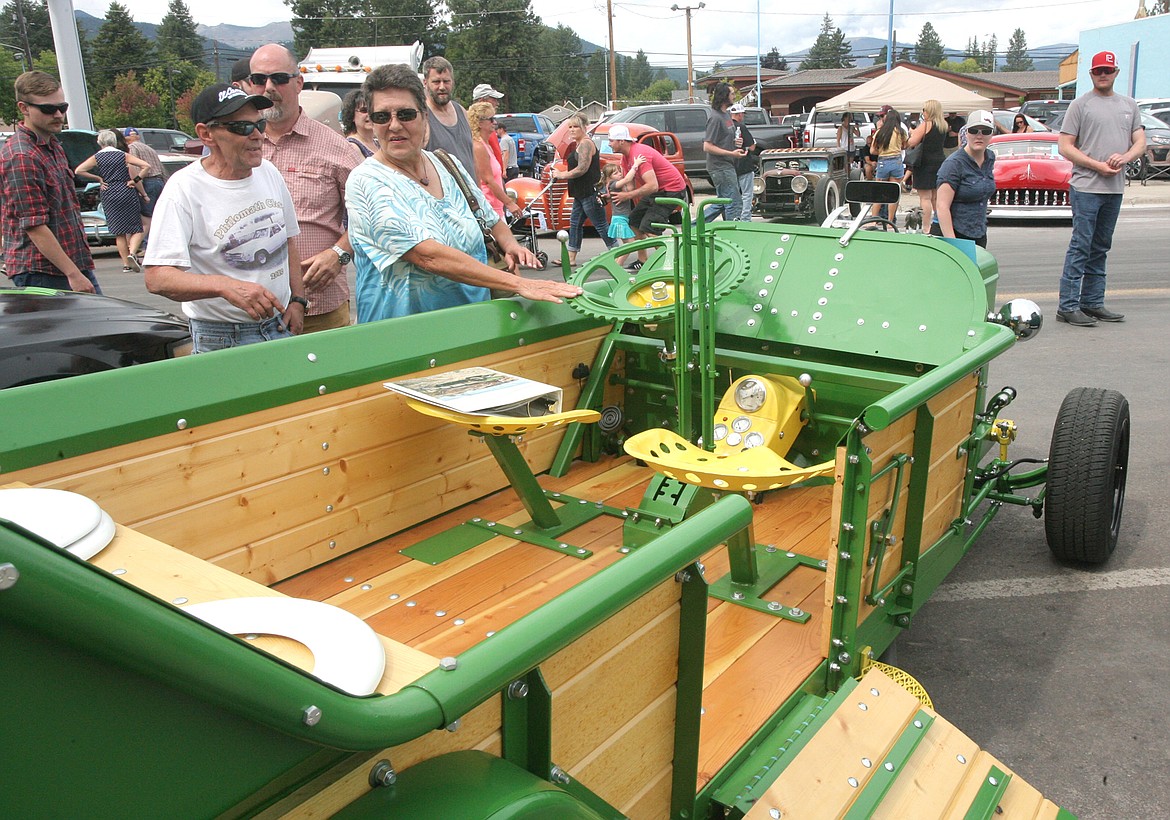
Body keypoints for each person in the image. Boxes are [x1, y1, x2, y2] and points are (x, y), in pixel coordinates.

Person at [344, 64, 581, 322]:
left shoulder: (447, 164)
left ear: (424, 116)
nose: (394, 125)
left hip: (471, 328)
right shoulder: (365, 181)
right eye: (381, 117)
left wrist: (510, 245)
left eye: (405, 114)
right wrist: (519, 285)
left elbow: (490, 220)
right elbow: (428, 256)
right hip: (405, 341)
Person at [143, 83, 305, 353]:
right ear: (206, 134)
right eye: (241, 127)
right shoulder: (183, 190)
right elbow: (157, 277)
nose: (257, 136)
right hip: (222, 337)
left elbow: (288, 242)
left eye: (260, 125)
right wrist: (224, 286)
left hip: (279, 325)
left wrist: (298, 300)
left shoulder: (269, 173)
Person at [246, 43, 363, 333]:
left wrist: (339, 253)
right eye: (260, 80)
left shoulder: (336, 148)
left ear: (298, 83)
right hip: (251, 311)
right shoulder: (237, 146)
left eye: (279, 79)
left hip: (319, 308)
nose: (269, 87)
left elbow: (373, 213)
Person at [1055, 52, 1144, 327]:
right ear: (1091, 74)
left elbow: (1140, 141)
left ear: (1116, 72)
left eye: (1107, 70)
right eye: (1097, 71)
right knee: (1081, 244)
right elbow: (1065, 145)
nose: (1102, 75)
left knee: (1101, 246)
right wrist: (1096, 165)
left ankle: (1092, 302)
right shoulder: (1080, 106)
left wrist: (1126, 157)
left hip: (1114, 189)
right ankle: (1067, 305)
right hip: (1086, 187)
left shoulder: (1129, 106)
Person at [0, 71, 99, 293]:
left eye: (62, 107)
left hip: (71, 265)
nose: (58, 114)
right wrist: (73, 274)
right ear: (24, 108)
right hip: (41, 272)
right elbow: (34, 225)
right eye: (48, 109)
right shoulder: (22, 156)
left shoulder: (54, 146)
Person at [608, 124, 689, 269]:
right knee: (634, 222)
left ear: (621, 141)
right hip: (656, 191)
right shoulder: (625, 159)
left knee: (649, 227)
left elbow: (652, 185)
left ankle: (672, 262)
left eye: (611, 140)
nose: (609, 143)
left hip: (672, 190)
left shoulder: (639, 154)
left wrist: (627, 196)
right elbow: (631, 186)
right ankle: (643, 260)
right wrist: (611, 191)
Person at [74, 130, 152, 273]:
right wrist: (135, 180)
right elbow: (146, 166)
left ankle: (126, 264)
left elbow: (79, 170)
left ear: (100, 142)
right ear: (114, 142)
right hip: (125, 189)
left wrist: (98, 179)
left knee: (119, 232)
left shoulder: (97, 157)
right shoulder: (123, 155)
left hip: (108, 191)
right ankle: (132, 253)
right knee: (136, 227)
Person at [552, 114, 617, 266]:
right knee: (575, 223)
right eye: (570, 127)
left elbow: (582, 168)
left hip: (589, 192)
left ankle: (616, 253)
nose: (572, 130)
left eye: (576, 127)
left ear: (584, 128)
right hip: (580, 193)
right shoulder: (579, 143)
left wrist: (562, 175)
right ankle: (571, 257)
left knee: (600, 225)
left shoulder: (586, 144)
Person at [930, 109, 996, 248]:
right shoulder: (953, 164)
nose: (979, 136)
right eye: (974, 130)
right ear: (966, 132)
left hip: (977, 232)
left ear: (992, 134)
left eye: (985, 131)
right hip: (951, 234)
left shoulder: (990, 157)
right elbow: (942, 206)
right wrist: (953, 244)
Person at [421, 56, 476, 175]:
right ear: (425, 83)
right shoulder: (422, 117)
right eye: (436, 82)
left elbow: (472, 158)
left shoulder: (461, 111)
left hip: (470, 192)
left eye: (446, 81)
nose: (442, 87)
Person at [468, 101, 521, 219]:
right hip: (488, 208)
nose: (495, 122)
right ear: (480, 123)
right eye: (491, 119)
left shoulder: (487, 145)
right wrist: (509, 203)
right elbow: (488, 181)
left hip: (496, 207)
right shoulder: (478, 147)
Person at [702, 83, 746, 222]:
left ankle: (692, 227)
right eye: (732, 93)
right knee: (734, 202)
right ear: (724, 96)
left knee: (723, 202)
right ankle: (732, 232)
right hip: (720, 167)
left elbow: (725, 139)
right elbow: (707, 146)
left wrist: (736, 144)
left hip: (727, 165)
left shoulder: (726, 115)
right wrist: (732, 153)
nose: (734, 96)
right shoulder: (715, 118)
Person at [903, 99, 948, 232]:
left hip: (925, 163)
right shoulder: (943, 125)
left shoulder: (926, 124)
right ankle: (939, 223)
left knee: (925, 197)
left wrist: (912, 133)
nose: (923, 112)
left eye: (924, 110)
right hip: (939, 161)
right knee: (935, 197)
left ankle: (926, 226)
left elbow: (912, 142)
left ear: (929, 111)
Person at [122, 127, 166, 238]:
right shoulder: (149, 148)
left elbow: (136, 171)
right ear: (138, 136)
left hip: (147, 183)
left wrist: (135, 183)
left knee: (147, 217)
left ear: (126, 138)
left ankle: (146, 245)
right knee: (158, 216)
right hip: (159, 181)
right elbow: (161, 168)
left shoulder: (131, 148)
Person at [870, 105, 907, 218]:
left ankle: (874, 219)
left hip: (883, 162)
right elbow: (904, 146)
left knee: (879, 192)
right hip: (896, 162)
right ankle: (890, 221)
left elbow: (872, 150)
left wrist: (882, 152)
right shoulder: (901, 132)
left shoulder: (879, 132)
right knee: (893, 193)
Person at [601, 160, 639, 266]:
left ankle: (616, 263)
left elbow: (629, 187)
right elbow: (627, 179)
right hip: (620, 219)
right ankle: (617, 265)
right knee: (630, 244)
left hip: (621, 219)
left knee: (627, 244)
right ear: (609, 177)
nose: (620, 174)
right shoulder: (614, 184)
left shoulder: (612, 185)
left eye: (619, 171)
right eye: (616, 173)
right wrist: (635, 166)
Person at [729, 103, 759, 222]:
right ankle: (745, 219)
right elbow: (752, 147)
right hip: (744, 165)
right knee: (747, 194)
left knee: (733, 194)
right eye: (742, 114)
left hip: (729, 165)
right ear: (740, 114)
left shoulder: (725, 127)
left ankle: (734, 217)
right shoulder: (741, 127)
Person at [471, 83, 506, 172]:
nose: (497, 103)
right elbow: (486, 177)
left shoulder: (489, 127)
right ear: (482, 101)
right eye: (494, 99)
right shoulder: (480, 129)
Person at [341, 89, 378, 158]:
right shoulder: (352, 147)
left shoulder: (377, 144)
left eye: (373, 110)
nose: (370, 114)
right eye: (364, 110)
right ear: (351, 115)